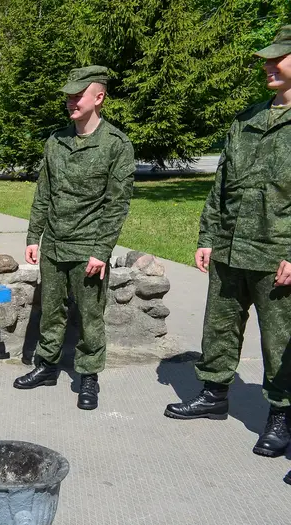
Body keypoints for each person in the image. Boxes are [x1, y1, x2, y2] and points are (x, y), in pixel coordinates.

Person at [165, 28, 291, 458]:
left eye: (278, 58)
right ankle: (214, 394)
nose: (268, 66)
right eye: (266, 59)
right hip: (231, 246)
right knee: (219, 326)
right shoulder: (246, 120)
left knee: (279, 339)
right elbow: (221, 186)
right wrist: (207, 237)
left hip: (277, 253)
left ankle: (281, 415)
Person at [14, 65, 135, 411]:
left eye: (78, 95)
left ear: (99, 98)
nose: (71, 101)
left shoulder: (116, 145)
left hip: (88, 248)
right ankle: (47, 366)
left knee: (90, 315)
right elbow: (44, 192)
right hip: (54, 243)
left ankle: (89, 377)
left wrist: (101, 250)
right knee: (51, 311)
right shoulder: (57, 140)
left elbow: (116, 204)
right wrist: (33, 235)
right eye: (68, 95)